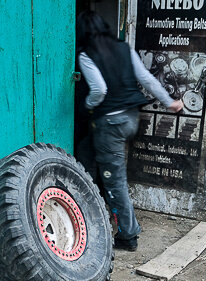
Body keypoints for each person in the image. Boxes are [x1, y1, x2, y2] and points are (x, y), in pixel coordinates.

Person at [75, 10, 184, 252]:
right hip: (131, 118)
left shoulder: (85, 54)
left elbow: (99, 90)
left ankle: (128, 234)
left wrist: (87, 106)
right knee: (85, 157)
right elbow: (146, 78)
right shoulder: (123, 48)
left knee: (115, 181)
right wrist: (170, 102)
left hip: (110, 123)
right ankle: (87, 215)